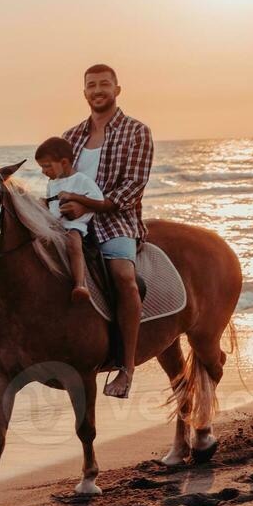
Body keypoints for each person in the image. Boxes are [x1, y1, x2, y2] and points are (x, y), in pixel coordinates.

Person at [61, 64, 154, 400]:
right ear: (84, 92)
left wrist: (89, 206)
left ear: (117, 89)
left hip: (115, 218)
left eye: (104, 84)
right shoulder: (70, 137)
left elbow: (132, 188)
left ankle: (126, 368)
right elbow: (57, 182)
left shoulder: (136, 132)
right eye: (91, 85)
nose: (97, 90)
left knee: (123, 277)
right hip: (71, 218)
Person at [34, 135, 101, 305]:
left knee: (73, 243)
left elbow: (98, 201)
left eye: (47, 166)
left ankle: (80, 284)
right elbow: (51, 204)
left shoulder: (81, 180)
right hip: (55, 224)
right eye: (42, 167)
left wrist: (74, 197)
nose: (44, 171)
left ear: (64, 163)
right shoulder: (53, 183)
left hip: (74, 224)